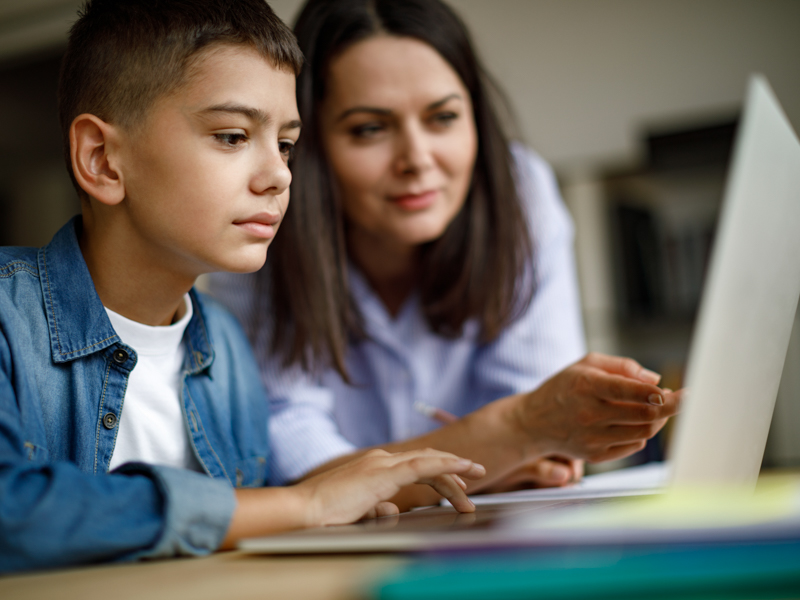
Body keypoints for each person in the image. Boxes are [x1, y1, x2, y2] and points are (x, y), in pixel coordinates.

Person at [0, 0, 486, 573]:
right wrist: (301, 504)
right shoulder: (10, 319)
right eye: (232, 136)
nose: (279, 175)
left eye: (285, 144)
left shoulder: (226, 346)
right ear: (103, 160)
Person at [210, 0, 680, 510]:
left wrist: (511, 441)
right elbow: (290, 458)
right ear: (311, 142)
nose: (417, 159)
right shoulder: (263, 218)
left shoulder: (519, 190)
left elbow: (546, 443)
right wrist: (505, 441)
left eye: (444, 117)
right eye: (370, 128)